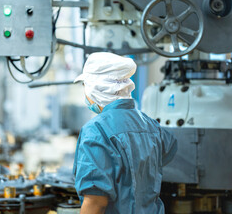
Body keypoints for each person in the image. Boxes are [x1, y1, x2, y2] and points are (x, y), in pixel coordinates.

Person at [73, 52, 178, 214]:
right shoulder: (150, 124)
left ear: (96, 87)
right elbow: (169, 149)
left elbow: (96, 201)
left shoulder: (96, 130)